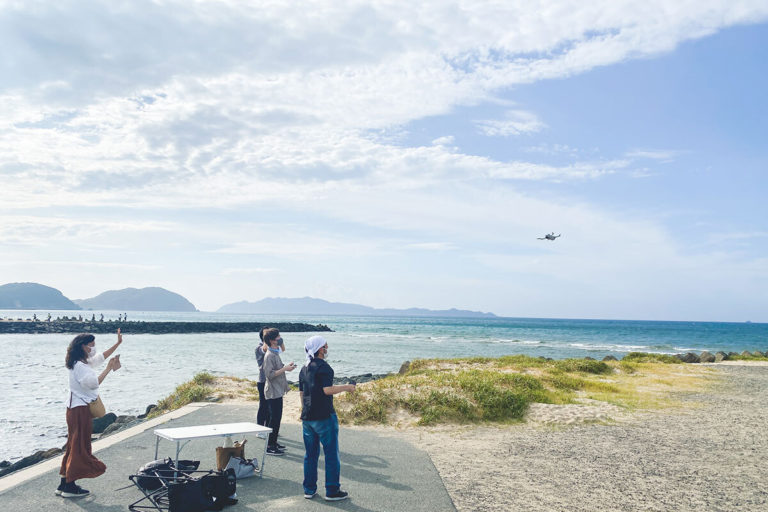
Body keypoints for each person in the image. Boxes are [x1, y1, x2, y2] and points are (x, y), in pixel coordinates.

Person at [57, 329, 123, 498]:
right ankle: (70, 487)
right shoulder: (81, 367)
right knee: (80, 447)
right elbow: (94, 384)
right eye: (92, 345)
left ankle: (64, 483)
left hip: (74, 408)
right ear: (84, 347)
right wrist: (108, 368)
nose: (94, 348)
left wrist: (117, 344)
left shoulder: (79, 362)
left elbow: (100, 357)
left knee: (73, 445)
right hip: (79, 410)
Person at [299, 335, 356, 501]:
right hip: (324, 416)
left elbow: (302, 393)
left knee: (310, 455)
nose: (327, 348)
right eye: (325, 345)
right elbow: (327, 390)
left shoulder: (304, 368)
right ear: (320, 349)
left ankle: (309, 489)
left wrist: (304, 410)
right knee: (331, 454)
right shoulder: (324, 367)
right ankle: (332, 490)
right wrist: (347, 387)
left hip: (307, 417)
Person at [262, 328, 296, 455]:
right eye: (278, 337)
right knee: (274, 419)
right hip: (272, 391)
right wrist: (284, 369)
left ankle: (273, 442)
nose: (280, 338)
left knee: (276, 418)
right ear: (271, 340)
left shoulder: (274, 353)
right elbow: (269, 375)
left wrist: (287, 367)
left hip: (277, 391)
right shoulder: (269, 355)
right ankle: (270, 446)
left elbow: (277, 370)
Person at [255, 327, 285, 432]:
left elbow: (282, 349)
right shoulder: (259, 348)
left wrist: (280, 341)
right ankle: (259, 428)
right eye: (266, 333)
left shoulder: (273, 349)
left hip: (271, 382)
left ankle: (268, 430)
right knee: (263, 407)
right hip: (263, 380)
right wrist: (268, 338)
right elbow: (265, 349)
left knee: (271, 410)